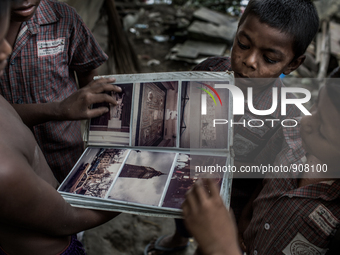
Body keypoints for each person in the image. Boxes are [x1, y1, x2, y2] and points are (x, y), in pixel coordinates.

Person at [145, 0, 319, 254]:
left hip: (231, 205)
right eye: (243, 44)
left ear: (292, 64)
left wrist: (240, 226)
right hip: (191, 176)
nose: (248, 61)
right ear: (237, 30)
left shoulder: (287, 117)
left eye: (269, 58)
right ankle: (179, 239)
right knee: (183, 212)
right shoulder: (209, 71)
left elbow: (265, 184)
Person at [0, 1, 121, 254]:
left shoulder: (63, 18)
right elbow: (69, 219)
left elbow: (90, 80)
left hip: (67, 154)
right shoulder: (7, 170)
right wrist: (136, 197)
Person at [182, 71, 340, 254]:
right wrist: (245, 219)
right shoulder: (291, 134)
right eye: (315, 106)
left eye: (322, 130)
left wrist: (221, 246)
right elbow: (264, 182)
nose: (305, 121)